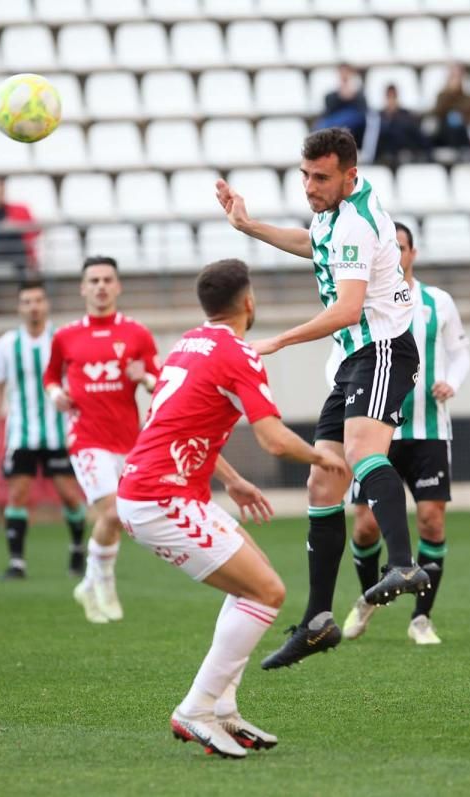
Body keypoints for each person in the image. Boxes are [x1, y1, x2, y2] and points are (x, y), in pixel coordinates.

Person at [117, 259, 349, 758]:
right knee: (267, 592)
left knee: (255, 578)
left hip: (166, 489)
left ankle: (223, 711)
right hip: (159, 497)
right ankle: (195, 709)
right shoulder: (239, 355)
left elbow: (174, 422)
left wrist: (234, 480)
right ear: (248, 302)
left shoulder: (186, 344)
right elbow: (272, 439)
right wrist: (323, 457)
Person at [214, 127, 423, 669]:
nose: (310, 186)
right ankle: (317, 622)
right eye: (305, 175)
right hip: (355, 356)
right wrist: (248, 225)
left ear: (348, 174)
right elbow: (314, 244)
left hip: (381, 349)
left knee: (356, 452)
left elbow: (349, 310)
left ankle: (402, 563)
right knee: (322, 476)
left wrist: (278, 339)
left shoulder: (354, 219)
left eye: (320, 177)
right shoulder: (338, 208)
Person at [336, 221, 470, 646]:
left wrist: (453, 382)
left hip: (428, 428)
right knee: (364, 527)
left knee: (431, 521)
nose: (395, 253)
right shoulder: (363, 300)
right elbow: (339, 353)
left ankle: (421, 619)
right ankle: (367, 598)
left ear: (412, 253)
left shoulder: (438, 302)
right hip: (378, 430)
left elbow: (459, 353)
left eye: (401, 247)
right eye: (388, 247)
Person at [43, 256, 161, 624]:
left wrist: (144, 378)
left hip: (128, 440)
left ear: (118, 286)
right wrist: (55, 396)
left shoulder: (137, 333)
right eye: (93, 280)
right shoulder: (65, 336)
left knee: (119, 517)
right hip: (86, 439)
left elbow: (160, 383)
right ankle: (104, 582)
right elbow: (50, 377)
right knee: (111, 511)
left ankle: (89, 583)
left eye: (107, 279)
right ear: (82, 288)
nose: (100, 286)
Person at [0, 280, 89, 581]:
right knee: (18, 494)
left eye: (38, 301)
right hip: (22, 433)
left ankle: (76, 549)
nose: (34, 307)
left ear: (46, 304)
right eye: (27, 301)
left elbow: (80, 380)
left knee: (69, 495)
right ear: (20, 307)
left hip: (60, 432)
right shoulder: (7, 344)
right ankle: (17, 562)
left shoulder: (63, 338)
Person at [432, 64, 470, 153]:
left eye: (458, 76)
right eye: (453, 76)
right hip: (445, 128)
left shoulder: (469, 94)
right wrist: (450, 93)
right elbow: (439, 112)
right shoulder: (443, 94)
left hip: (465, 127)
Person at [374, 84, 428, 166]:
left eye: (393, 97)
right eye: (389, 97)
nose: (391, 100)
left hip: (405, 157)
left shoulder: (407, 117)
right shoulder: (377, 118)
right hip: (384, 157)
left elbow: (419, 138)